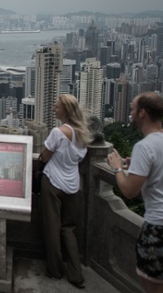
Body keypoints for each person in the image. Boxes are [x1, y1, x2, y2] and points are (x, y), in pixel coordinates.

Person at [107, 92, 163, 293]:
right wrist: (138, 165)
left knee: (152, 285)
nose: (130, 113)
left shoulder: (145, 146)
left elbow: (129, 191)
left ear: (142, 113)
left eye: (132, 109)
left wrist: (117, 168)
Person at [39, 94, 92, 289]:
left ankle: (55, 270)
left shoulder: (58, 133)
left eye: (57, 106)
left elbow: (44, 156)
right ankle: (76, 274)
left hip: (52, 183)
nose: (54, 109)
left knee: (52, 228)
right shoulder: (83, 133)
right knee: (69, 229)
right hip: (73, 185)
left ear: (67, 111)